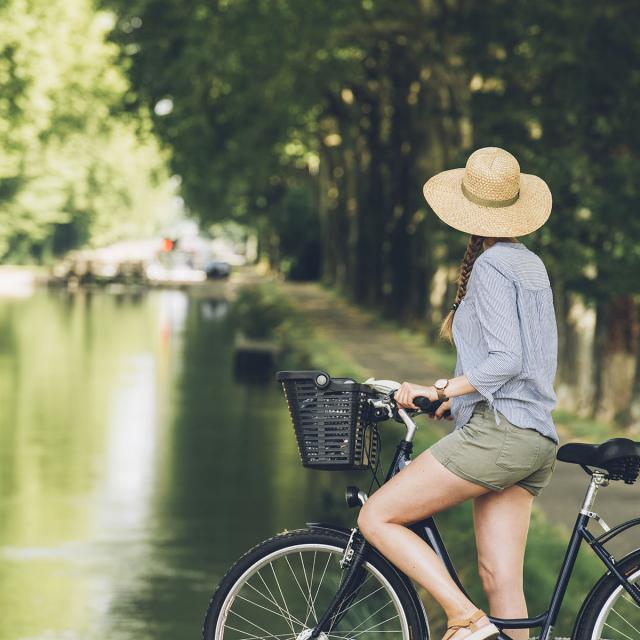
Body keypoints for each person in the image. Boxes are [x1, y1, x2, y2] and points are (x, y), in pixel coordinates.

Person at [357, 147, 559, 640]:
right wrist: (456, 401)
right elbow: (518, 363)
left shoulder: (490, 268)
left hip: (502, 435)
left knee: (376, 515)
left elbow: (507, 359)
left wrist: (442, 386)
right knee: (501, 580)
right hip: (534, 438)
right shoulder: (529, 264)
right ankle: (483, 620)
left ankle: (464, 618)